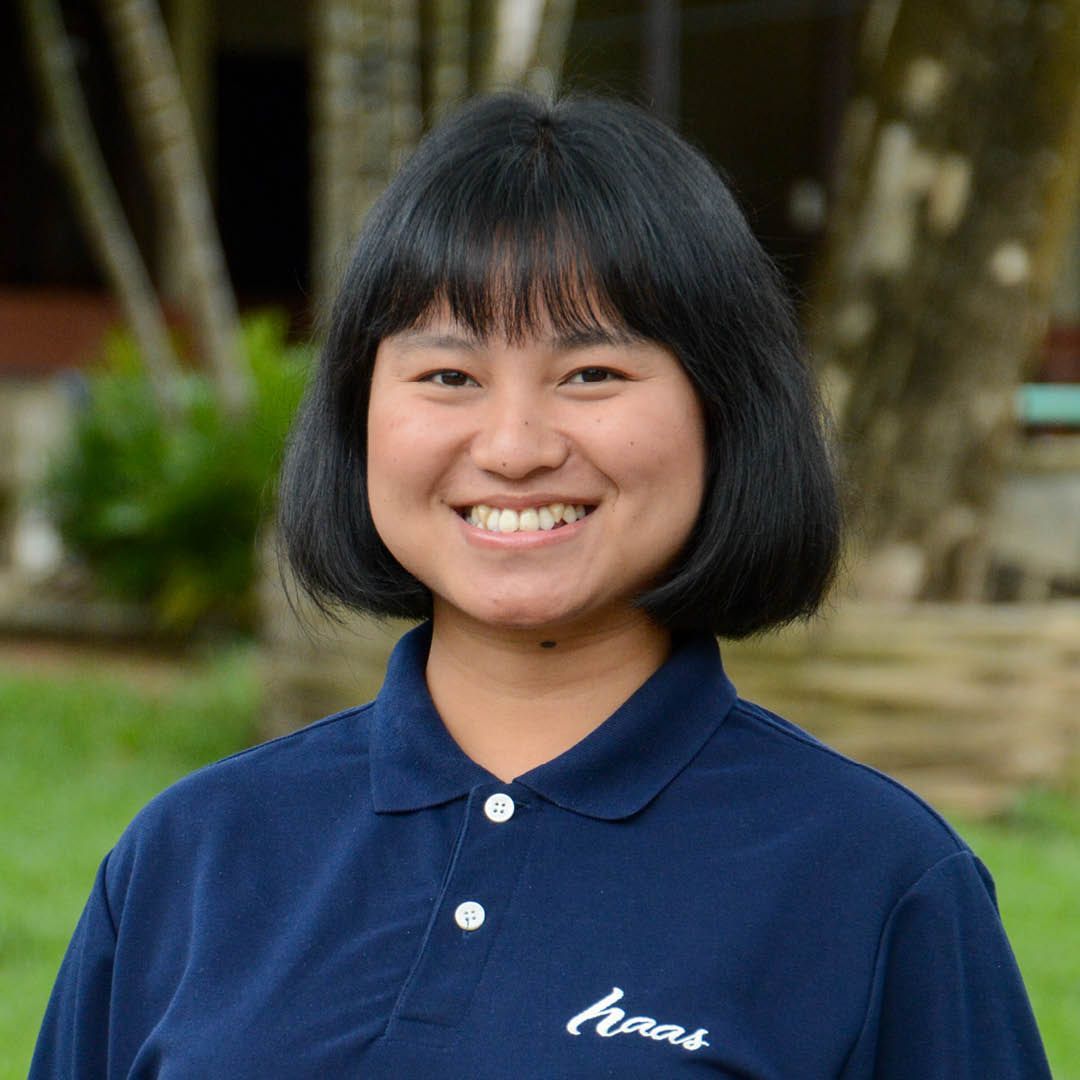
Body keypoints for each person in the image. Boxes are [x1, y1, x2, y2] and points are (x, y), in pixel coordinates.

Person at [31, 93, 1049, 1079]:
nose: (514, 448)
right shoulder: (190, 857)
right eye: (448, 377)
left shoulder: (877, 883)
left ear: (725, 410)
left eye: (592, 374)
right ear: (359, 418)